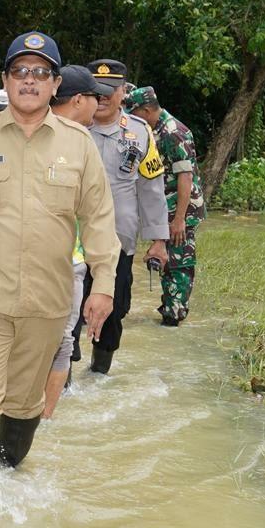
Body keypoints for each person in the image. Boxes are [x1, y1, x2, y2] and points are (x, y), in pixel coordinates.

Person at [0, 33, 119, 501]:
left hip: (46, 299)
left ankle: (8, 477)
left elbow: (98, 219)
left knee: (23, 402)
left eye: (40, 73)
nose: (29, 81)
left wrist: (104, 286)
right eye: (20, 71)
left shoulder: (79, 146)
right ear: (5, 80)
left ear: (55, 84)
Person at [77, 59, 169, 374]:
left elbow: (152, 190)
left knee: (113, 313)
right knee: (65, 316)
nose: (101, 97)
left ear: (122, 92)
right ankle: (62, 382)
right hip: (70, 243)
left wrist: (159, 241)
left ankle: (99, 375)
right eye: (95, 90)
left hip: (120, 241)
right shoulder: (68, 127)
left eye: (108, 91)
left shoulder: (140, 133)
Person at [43, 65, 114, 418]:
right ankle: (41, 423)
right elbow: (97, 217)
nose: (98, 106)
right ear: (79, 100)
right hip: (62, 266)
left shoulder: (31, 133)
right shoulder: (77, 144)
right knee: (60, 344)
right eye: (95, 98)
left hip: (45, 264)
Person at [128, 86, 206, 326]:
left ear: (148, 110)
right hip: (166, 206)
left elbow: (186, 177)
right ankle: (169, 308)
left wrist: (179, 219)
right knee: (165, 258)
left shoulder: (174, 133)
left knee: (179, 262)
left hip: (182, 208)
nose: (131, 119)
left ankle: (175, 313)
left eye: (135, 113)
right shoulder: (152, 129)